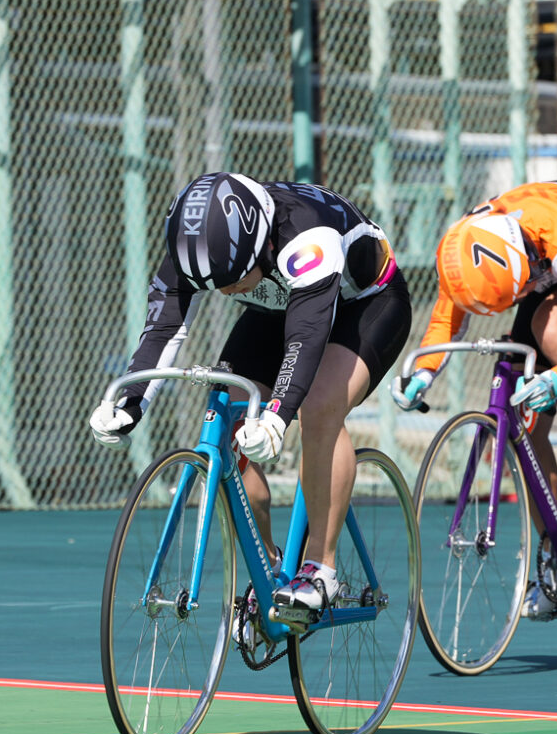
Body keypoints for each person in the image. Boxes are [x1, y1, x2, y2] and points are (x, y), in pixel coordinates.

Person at [88, 173, 411, 626]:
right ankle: (272, 568)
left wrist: (278, 415)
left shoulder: (306, 236)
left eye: (234, 278)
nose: (225, 292)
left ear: (259, 246)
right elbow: (164, 329)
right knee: (226, 417)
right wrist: (130, 400)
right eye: (216, 284)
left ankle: (321, 570)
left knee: (319, 407)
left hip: (365, 305)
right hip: (277, 306)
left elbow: (306, 335)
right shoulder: (193, 244)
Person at [395, 180, 557, 511]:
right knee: (525, 423)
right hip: (547, 265)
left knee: (554, 328)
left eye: (523, 288)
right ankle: (554, 549)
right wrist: (423, 373)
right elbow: (447, 323)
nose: (526, 294)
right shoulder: (460, 252)